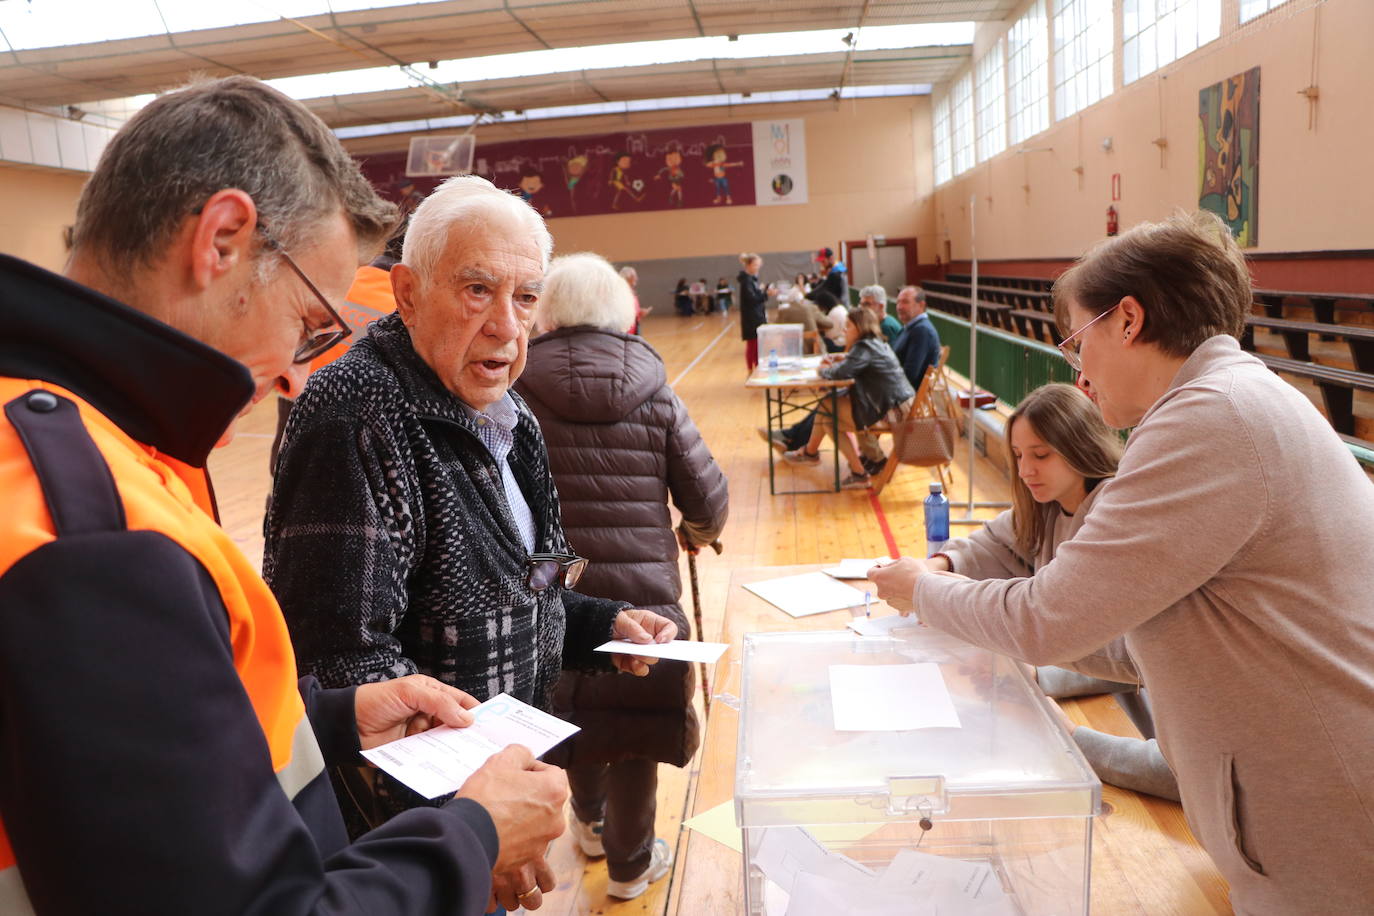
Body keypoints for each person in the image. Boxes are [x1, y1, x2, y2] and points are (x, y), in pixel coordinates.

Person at [0, 75, 568, 915]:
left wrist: (334, 721)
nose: (301, 374)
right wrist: (472, 835)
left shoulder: (74, 447)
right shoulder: (91, 528)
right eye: (308, 324)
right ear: (221, 241)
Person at [870, 211, 1374, 913]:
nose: (1078, 370)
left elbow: (1050, 617)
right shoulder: (1234, 400)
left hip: (1322, 818)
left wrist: (922, 591)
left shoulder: (1208, 418)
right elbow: (1146, 639)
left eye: (1078, 341)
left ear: (1128, 320)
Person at [264, 175, 678, 913]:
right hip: (408, 848)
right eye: (478, 289)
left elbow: (525, 585)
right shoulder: (355, 414)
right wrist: (469, 835)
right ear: (408, 292)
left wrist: (600, 623)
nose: (506, 327)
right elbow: (343, 667)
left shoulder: (507, 412)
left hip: (489, 810)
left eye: (525, 298)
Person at [517, 252, 729, 901]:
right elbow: (708, 500)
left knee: (575, 704)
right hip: (644, 594)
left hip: (552, 591)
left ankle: (587, 821)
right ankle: (632, 862)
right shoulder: (654, 388)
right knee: (636, 724)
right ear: (622, 310)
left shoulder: (517, 385)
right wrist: (695, 535)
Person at [930, 384, 1179, 801]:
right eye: (1019, 455)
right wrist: (939, 566)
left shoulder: (1113, 516)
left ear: (1079, 446)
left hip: (1141, 721)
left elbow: (1125, 652)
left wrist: (1045, 688)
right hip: (1107, 710)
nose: (1026, 469)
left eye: (1040, 455)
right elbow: (989, 544)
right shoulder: (1048, 505)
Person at [268, 230, 403, 473]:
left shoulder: (341, 280)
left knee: (284, 482)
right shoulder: (406, 308)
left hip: (295, 394)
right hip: (348, 422)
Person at [782, 307, 914, 489]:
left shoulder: (864, 347)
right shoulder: (873, 343)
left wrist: (822, 370)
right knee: (827, 418)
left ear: (860, 327)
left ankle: (810, 453)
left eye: (848, 326)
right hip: (897, 406)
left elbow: (839, 373)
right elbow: (854, 364)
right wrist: (842, 358)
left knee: (827, 405)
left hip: (894, 412)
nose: (845, 330)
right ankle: (857, 472)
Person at [890, 285, 942, 387]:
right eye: (898, 302)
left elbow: (909, 375)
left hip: (905, 396)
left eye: (905, 302)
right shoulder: (909, 327)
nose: (899, 307)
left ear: (921, 305)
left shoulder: (922, 331)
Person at [737, 252, 771, 371]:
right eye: (756, 265)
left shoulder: (751, 280)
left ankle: (755, 368)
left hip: (755, 315)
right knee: (753, 345)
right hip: (752, 318)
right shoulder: (746, 281)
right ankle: (753, 370)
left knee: (756, 345)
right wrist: (766, 294)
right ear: (749, 265)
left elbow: (754, 296)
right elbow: (752, 299)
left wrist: (763, 291)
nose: (758, 268)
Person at [618, 265, 647, 335]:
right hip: (626, 330)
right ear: (627, 277)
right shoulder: (620, 292)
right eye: (634, 275)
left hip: (635, 326)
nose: (637, 278)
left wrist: (639, 312)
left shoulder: (631, 291)